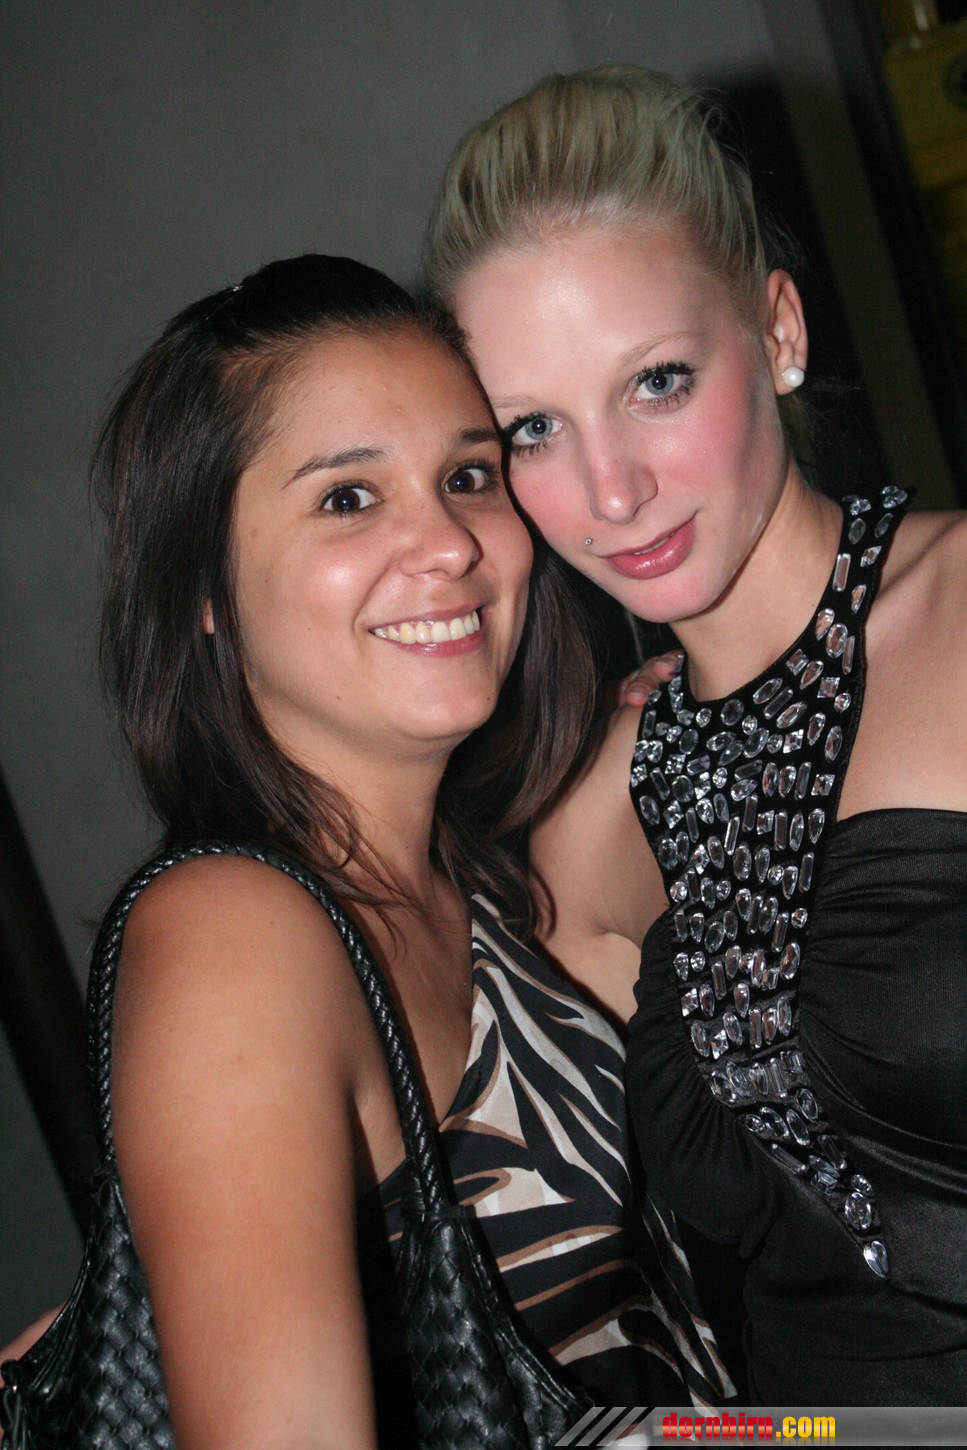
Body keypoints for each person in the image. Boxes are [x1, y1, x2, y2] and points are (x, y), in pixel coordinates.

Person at [0, 254, 731, 1445]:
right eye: (348, 497)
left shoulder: (481, 882)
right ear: (205, 587)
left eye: (468, 476)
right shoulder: (235, 934)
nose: (446, 543)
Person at [421, 66, 967, 1404]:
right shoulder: (598, 812)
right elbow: (454, 1217)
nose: (610, 490)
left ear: (775, 330)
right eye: (533, 429)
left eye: (656, 382)